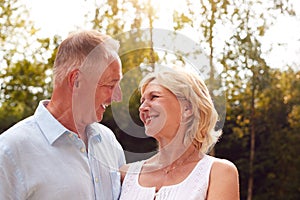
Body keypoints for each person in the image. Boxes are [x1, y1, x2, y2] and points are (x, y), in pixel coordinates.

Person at [0, 30, 125, 200]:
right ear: (76, 81)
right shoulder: (9, 151)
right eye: (111, 85)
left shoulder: (109, 142)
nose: (117, 97)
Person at [119, 66, 239, 200]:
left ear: (187, 109)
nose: (142, 107)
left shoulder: (218, 173)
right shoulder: (126, 175)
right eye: (142, 101)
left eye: (154, 97)